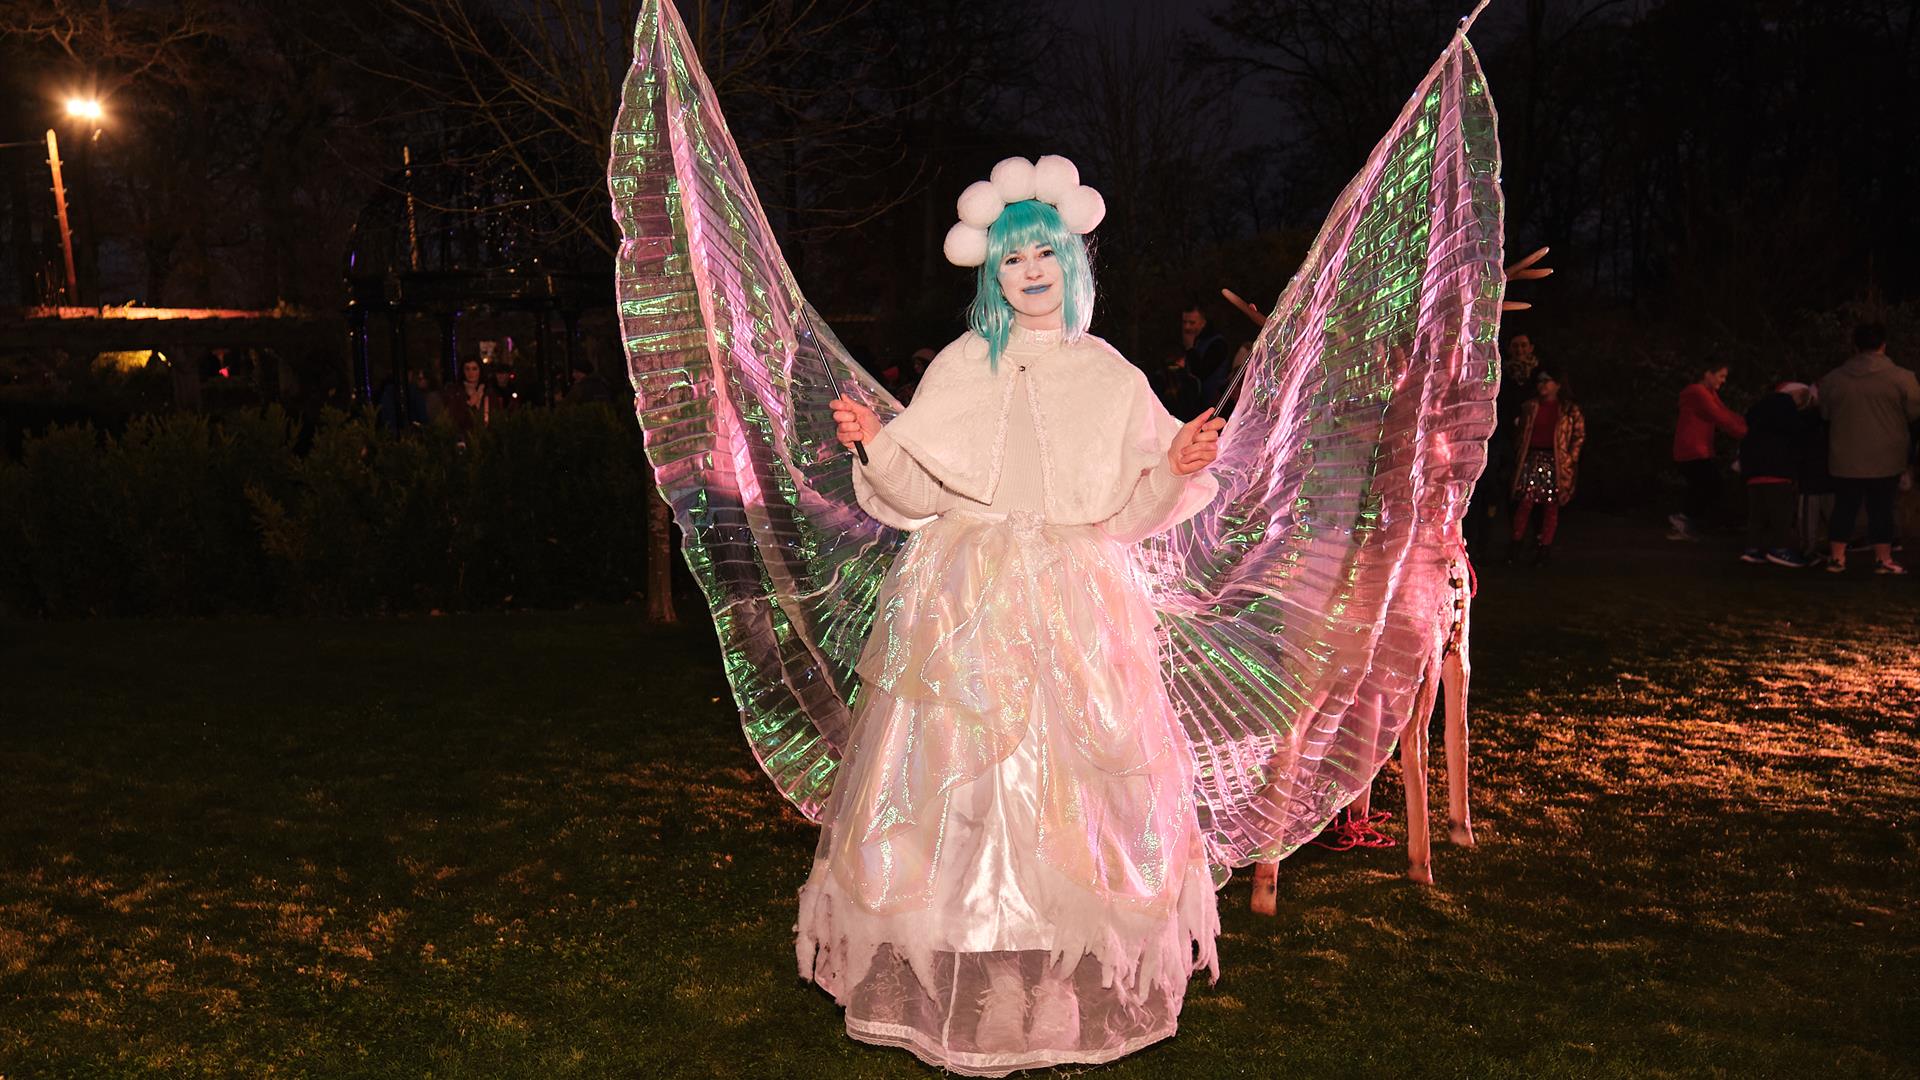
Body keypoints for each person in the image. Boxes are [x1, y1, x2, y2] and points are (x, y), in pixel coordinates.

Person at [816, 156, 1226, 1073]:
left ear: (1072, 261)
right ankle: (991, 978)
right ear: (991, 275)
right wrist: (877, 443)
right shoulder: (963, 365)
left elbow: (1122, 511)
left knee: (1070, 797)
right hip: (969, 604)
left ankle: (1052, 979)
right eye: (1012, 259)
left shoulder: (1109, 372)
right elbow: (918, 491)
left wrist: (1175, 466)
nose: (1031, 269)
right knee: (970, 799)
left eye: (1046, 252)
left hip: (1077, 607)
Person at [1817, 323, 1920, 574]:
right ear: (1883, 345)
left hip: (1845, 455)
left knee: (1844, 507)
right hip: (1886, 455)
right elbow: (1914, 412)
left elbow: (1825, 413)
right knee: (1882, 508)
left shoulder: (1833, 379)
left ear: (1855, 346)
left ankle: (1837, 558)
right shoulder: (1902, 378)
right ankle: (1882, 559)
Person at [1506, 366, 1585, 565]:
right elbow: (1520, 432)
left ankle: (1544, 548)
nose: (1542, 385)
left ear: (1557, 385)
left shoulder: (1568, 410)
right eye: (1540, 381)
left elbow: (1578, 435)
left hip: (1555, 461)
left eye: (1547, 381)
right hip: (1531, 459)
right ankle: (1516, 546)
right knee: (1525, 503)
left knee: (1551, 506)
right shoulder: (1530, 407)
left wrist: (1570, 457)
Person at [1737, 382, 1818, 567]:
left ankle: (1753, 549)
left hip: (1753, 473)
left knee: (1757, 515)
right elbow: (1798, 439)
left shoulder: (1758, 416)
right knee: (1781, 514)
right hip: (1778, 472)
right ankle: (1780, 549)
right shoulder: (1788, 416)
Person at [1670, 361, 1746, 539]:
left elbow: (1725, 413)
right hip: (1691, 450)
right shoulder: (1697, 393)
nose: (1723, 380)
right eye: (1721, 376)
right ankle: (1684, 520)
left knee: (1705, 485)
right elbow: (1719, 416)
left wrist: (1748, 425)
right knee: (1710, 485)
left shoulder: (1708, 393)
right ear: (1707, 374)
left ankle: (1687, 522)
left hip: (1698, 450)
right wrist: (1749, 432)